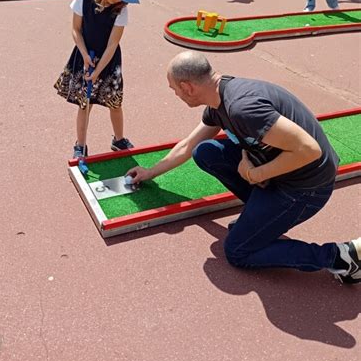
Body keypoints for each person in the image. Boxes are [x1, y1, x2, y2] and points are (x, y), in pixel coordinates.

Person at [127, 51, 360, 284]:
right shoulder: (218, 101)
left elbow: (309, 150)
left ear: (187, 87)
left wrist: (255, 173)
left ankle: (340, 256)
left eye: (174, 89)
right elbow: (189, 145)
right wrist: (150, 172)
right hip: (280, 172)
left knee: (238, 251)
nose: (175, 94)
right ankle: (259, 214)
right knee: (205, 151)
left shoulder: (242, 107)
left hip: (307, 188)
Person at [54, 0, 140, 158]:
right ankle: (80, 145)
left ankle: (118, 140)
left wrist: (98, 70)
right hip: (84, 55)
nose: (120, 0)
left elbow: (112, 44)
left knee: (115, 103)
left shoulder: (121, 9)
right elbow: (76, 30)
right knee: (85, 103)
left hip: (109, 61)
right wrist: (85, 56)